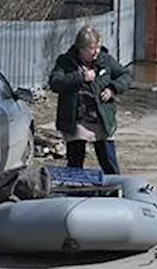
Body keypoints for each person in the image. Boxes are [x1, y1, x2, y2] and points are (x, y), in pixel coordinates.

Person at [48, 27, 132, 174]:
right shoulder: (65, 62)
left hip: (101, 117)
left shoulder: (105, 61)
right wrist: (80, 78)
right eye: (92, 48)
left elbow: (125, 76)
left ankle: (114, 190)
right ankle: (73, 189)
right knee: (75, 159)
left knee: (108, 159)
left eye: (98, 47)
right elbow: (55, 82)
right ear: (81, 49)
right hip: (77, 119)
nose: (96, 52)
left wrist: (112, 89)